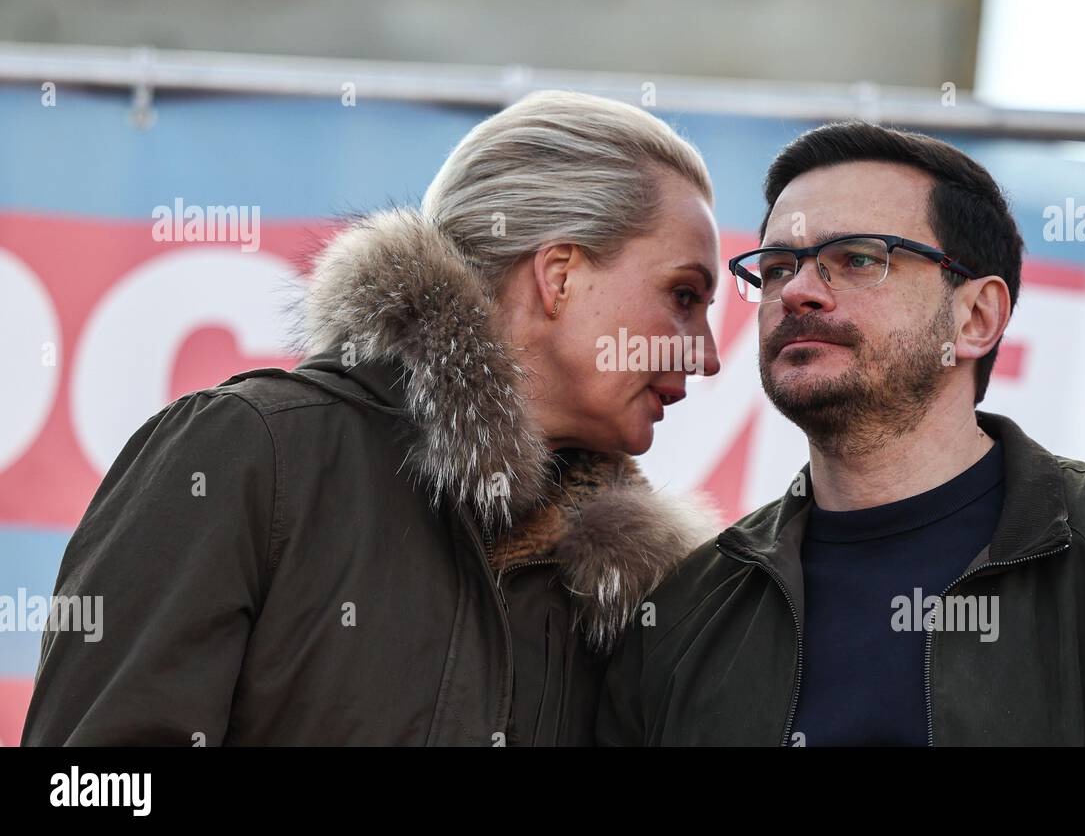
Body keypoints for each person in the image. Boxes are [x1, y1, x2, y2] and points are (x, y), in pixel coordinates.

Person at [23, 90, 721, 746]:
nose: (709, 354)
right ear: (560, 274)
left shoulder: (630, 594)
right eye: (684, 295)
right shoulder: (248, 451)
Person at [596, 121, 1085, 746]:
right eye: (777, 267)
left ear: (977, 317)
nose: (799, 290)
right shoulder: (690, 606)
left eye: (858, 258)